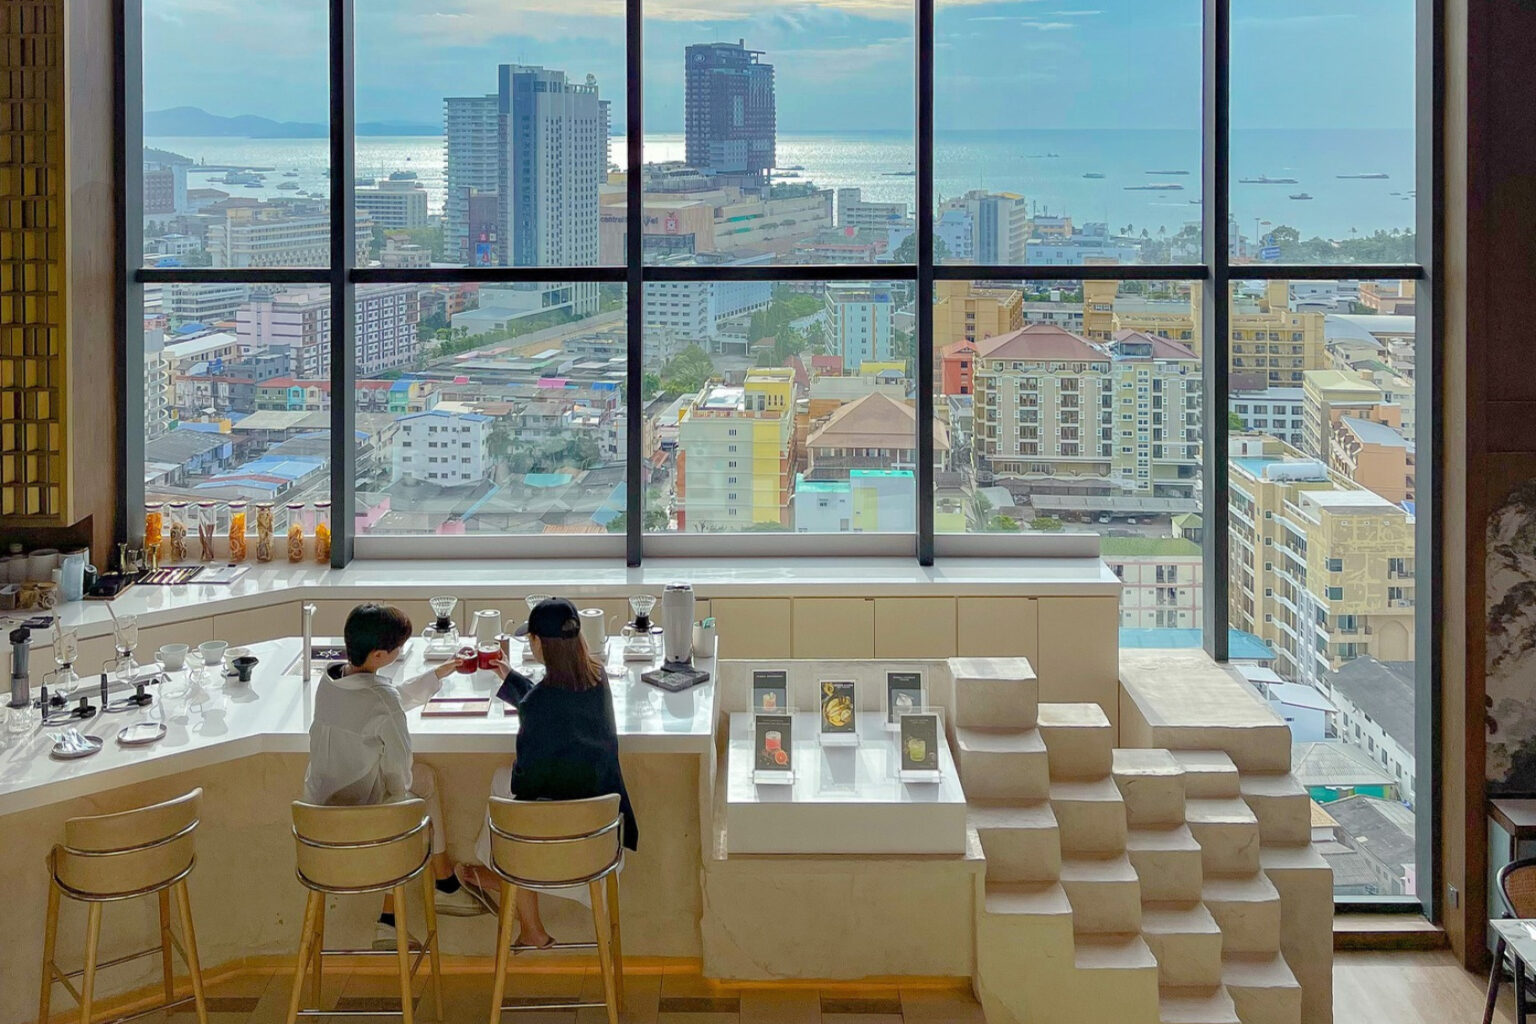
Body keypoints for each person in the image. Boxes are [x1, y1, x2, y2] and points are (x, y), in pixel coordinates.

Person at [303, 602, 483, 947]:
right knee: (414, 789)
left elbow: (379, 701)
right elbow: (399, 771)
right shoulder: (382, 700)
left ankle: (429, 891)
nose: (401, 653)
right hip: (363, 825)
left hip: (317, 824)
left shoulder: (331, 681)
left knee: (419, 782)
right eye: (398, 649)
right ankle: (430, 890)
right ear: (380, 656)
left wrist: (437, 674)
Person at [463, 597, 638, 949]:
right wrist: (511, 678)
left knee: (505, 785)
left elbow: (526, 782)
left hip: (553, 854)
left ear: (538, 643)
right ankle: (518, 905)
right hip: (601, 844)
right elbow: (557, 706)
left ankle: (507, 881)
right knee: (513, 792)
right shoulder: (597, 678)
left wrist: (516, 687)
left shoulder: (540, 704)